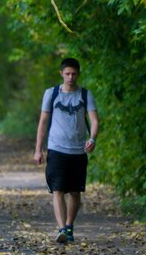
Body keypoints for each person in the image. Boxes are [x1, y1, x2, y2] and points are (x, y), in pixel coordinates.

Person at [33, 58, 99, 244]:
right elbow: (43, 122)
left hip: (78, 150)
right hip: (56, 148)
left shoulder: (85, 95)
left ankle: (69, 226)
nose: (70, 77)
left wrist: (92, 138)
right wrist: (38, 150)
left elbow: (94, 120)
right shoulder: (52, 94)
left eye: (74, 74)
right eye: (67, 73)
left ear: (78, 74)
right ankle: (61, 228)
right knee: (58, 189)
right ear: (61, 73)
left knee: (75, 192)